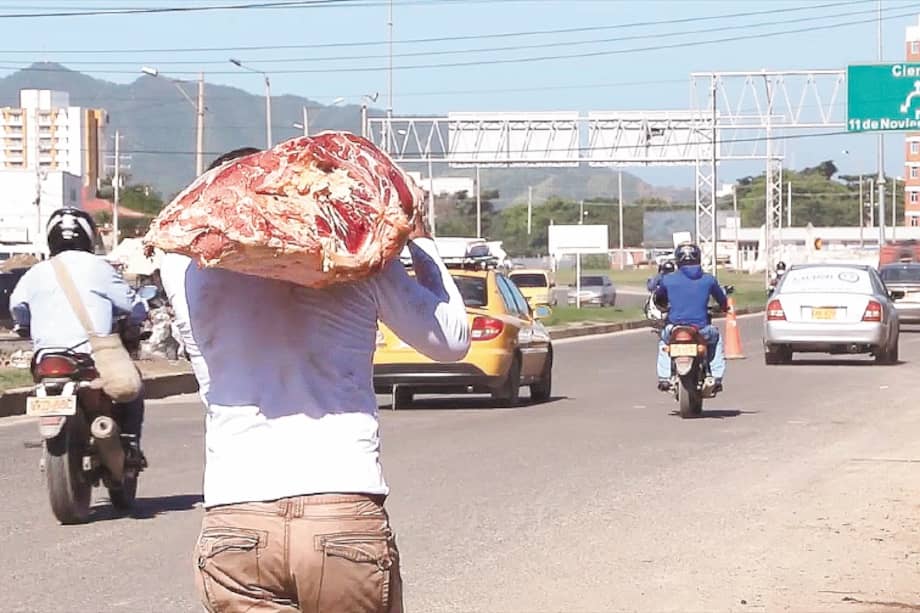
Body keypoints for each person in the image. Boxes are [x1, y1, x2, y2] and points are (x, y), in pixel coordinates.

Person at [160, 147, 471, 613]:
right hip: (341, 513)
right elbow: (450, 341)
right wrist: (418, 239)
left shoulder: (184, 268)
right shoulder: (359, 257)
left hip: (235, 520)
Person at [9, 208, 149, 457]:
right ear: (89, 237)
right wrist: (137, 318)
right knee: (132, 388)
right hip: (91, 357)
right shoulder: (100, 268)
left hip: (46, 360)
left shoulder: (36, 272)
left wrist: (25, 324)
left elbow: (17, 307)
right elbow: (134, 305)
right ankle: (130, 445)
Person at [653, 243, 728, 393]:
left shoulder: (668, 280)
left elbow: (658, 298)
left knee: (664, 342)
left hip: (674, 328)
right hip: (701, 329)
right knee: (715, 339)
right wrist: (724, 307)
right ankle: (717, 377)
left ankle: (664, 377)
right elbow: (722, 300)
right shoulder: (708, 280)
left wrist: (665, 306)